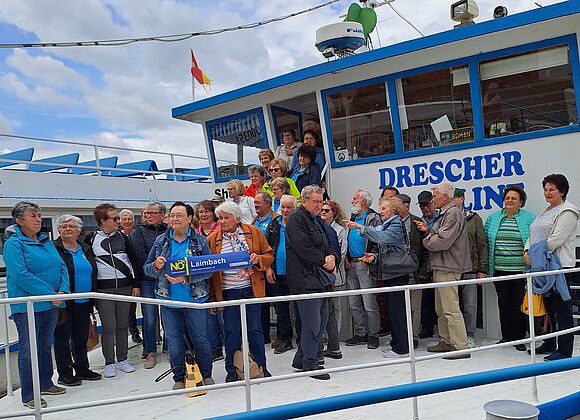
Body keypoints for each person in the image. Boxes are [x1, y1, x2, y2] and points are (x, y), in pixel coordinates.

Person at [3, 201, 70, 409]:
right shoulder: (13, 244)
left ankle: (45, 383)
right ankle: (29, 394)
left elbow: (62, 267)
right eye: (33, 216)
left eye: (39, 215)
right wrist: (51, 294)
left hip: (51, 304)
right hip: (28, 307)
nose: (38, 219)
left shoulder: (46, 241)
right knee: (28, 349)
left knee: (44, 345)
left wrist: (63, 292)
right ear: (19, 220)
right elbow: (20, 275)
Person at [144, 201, 215, 389]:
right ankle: (179, 378)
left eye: (179, 215)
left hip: (195, 300)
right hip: (168, 302)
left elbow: (209, 270)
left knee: (201, 339)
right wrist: (155, 266)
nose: (174, 219)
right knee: (174, 342)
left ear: (189, 218)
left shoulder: (199, 241)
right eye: (172, 215)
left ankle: (206, 374)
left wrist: (186, 278)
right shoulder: (161, 241)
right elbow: (146, 268)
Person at [207, 202, 274, 382]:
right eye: (220, 218)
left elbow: (269, 255)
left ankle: (261, 366)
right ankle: (232, 369)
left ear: (237, 218)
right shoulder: (212, 239)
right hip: (228, 292)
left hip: (251, 289)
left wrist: (258, 259)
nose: (222, 221)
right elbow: (209, 271)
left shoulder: (254, 232)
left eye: (226, 218)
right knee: (231, 332)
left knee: (255, 330)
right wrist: (212, 298)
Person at [347, 196, 412, 357]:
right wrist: (374, 257)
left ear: (393, 210)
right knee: (392, 310)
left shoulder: (396, 225)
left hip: (398, 273)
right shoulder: (388, 224)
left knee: (398, 311)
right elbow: (383, 244)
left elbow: (382, 237)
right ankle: (396, 343)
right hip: (390, 273)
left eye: (384, 208)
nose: (380, 211)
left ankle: (402, 348)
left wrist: (360, 227)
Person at [525, 174, 579, 361]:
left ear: (562, 191)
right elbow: (533, 234)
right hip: (542, 266)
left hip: (558, 267)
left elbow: (556, 240)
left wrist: (533, 254)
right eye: (545, 189)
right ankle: (548, 343)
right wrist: (527, 251)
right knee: (547, 307)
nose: (547, 193)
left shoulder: (568, 211)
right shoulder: (546, 211)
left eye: (552, 189)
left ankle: (564, 350)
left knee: (561, 308)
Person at [286, 185, 336, 380]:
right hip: (304, 281)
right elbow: (304, 247)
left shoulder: (317, 220)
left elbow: (328, 243)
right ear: (303, 201)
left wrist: (331, 256)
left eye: (320, 201)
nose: (319, 205)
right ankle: (310, 363)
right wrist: (325, 261)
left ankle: (302, 358)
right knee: (312, 324)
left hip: (319, 279)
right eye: (315, 202)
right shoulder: (296, 220)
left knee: (320, 321)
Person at [84, 203, 140, 378]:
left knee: (123, 325)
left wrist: (136, 284)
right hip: (103, 290)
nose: (118, 221)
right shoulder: (91, 238)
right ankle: (109, 362)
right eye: (114, 218)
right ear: (103, 220)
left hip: (125, 287)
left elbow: (133, 260)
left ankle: (123, 359)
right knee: (109, 326)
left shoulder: (123, 237)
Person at [416, 183, 471, 359]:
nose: (432, 200)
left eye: (435, 196)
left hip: (448, 266)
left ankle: (460, 346)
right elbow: (440, 235)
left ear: (445, 196)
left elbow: (443, 240)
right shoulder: (447, 213)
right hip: (442, 266)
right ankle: (447, 340)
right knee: (442, 308)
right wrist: (430, 231)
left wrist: (426, 240)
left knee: (451, 309)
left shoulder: (452, 213)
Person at [484, 185, 535, 350]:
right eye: (507, 198)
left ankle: (519, 339)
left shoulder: (529, 218)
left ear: (521, 202)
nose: (510, 200)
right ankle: (506, 337)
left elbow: (535, 241)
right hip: (499, 270)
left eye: (514, 198)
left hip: (521, 271)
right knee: (503, 304)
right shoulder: (493, 218)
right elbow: (485, 242)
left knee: (519, 305)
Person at [53, 215, 102, 386]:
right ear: (59, 230)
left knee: (80, 337)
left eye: (71, 226)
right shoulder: (54, 248)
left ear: (79, 230)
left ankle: (82, 368)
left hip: (84, 301)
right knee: (62, 339)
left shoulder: (85, 248)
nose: (67, 229)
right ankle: (64, 373)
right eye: (63, 226)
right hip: (64, 302)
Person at [130, 202, 168, 368]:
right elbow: (141, 256)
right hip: (147, 279)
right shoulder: (139, 232)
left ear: (162, 215)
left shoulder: (169, 230)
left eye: (152, 213)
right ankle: (150, 351)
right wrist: (155, 266)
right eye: (146, 213)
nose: (148, 216)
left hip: (166, 279)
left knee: (168, 315)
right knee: (150, 318)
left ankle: (169, 347)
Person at [345, 189, 382, 350]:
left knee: (369, 303)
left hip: (364, 264)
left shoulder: (373, 218)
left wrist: (372, 257)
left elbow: (378, 239)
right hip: (351, 264)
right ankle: (361, 333)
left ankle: (374, 335)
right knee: (354, 303)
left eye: (355, 198)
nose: (352, 201)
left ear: (363, 201)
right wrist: (346, 256)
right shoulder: (353, 216)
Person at [453, 188, 488, 349]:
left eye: (454, 198)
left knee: (470, 305)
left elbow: (482, 244)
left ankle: (469, 334)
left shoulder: (473, 218)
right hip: (451, 268)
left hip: (470, 268)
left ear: (461, 199)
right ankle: (454, 335)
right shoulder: (445, 217)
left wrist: (482, 269)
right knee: (452, 305)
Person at [265, 195, 297, 354]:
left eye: (288, 207)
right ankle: (285, 340)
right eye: (282, 207)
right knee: (281, 309)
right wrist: (268, 268)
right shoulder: (274, 224)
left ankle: (302, 339)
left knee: (299, 308)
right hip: (277, 273)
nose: (285, 210)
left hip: (296, 274)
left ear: (295, 208)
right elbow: (267, 248)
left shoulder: (299, 224)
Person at [396, 193, 427, 350]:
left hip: (414, 271)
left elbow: (425, 248)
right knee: (398, 307)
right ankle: (401, 336)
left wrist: (423, 269)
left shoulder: (416, 222)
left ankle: (413, 336)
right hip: (396, 272)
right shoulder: (390, 222)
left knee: (415, 308)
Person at [320, 199, 348, 359]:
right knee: (324, 309)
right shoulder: (318, 227)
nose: (323, 212)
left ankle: (334, 340)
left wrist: (330, 264)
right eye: (322, 210)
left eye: (327, 210)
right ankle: (324, 338)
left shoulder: (339, 230)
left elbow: (341, 253)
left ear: (334, 213)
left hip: (336, 276)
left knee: (335, 309)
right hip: (321, 276)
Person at [252, 191, 280, 344]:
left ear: (268, 204)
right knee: (261, 303)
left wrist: (269, 266)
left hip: (272, 267)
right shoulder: (254, 221)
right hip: (257, 270)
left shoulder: (276, 220)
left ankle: (282, 336)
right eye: (254, 202)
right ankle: (264, 335)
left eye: (258, 202)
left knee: (278, 304)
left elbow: (274, 246)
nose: (255, 205)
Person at [417, 190, 437, 339]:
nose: (425, 208)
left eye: (428, 204)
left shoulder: (442, 218)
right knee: (425, 300)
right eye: (422, 206)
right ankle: (427, 327)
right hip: (424, 265)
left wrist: (428, 230)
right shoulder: (417, 221)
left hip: (440, 262)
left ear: (434, 203)